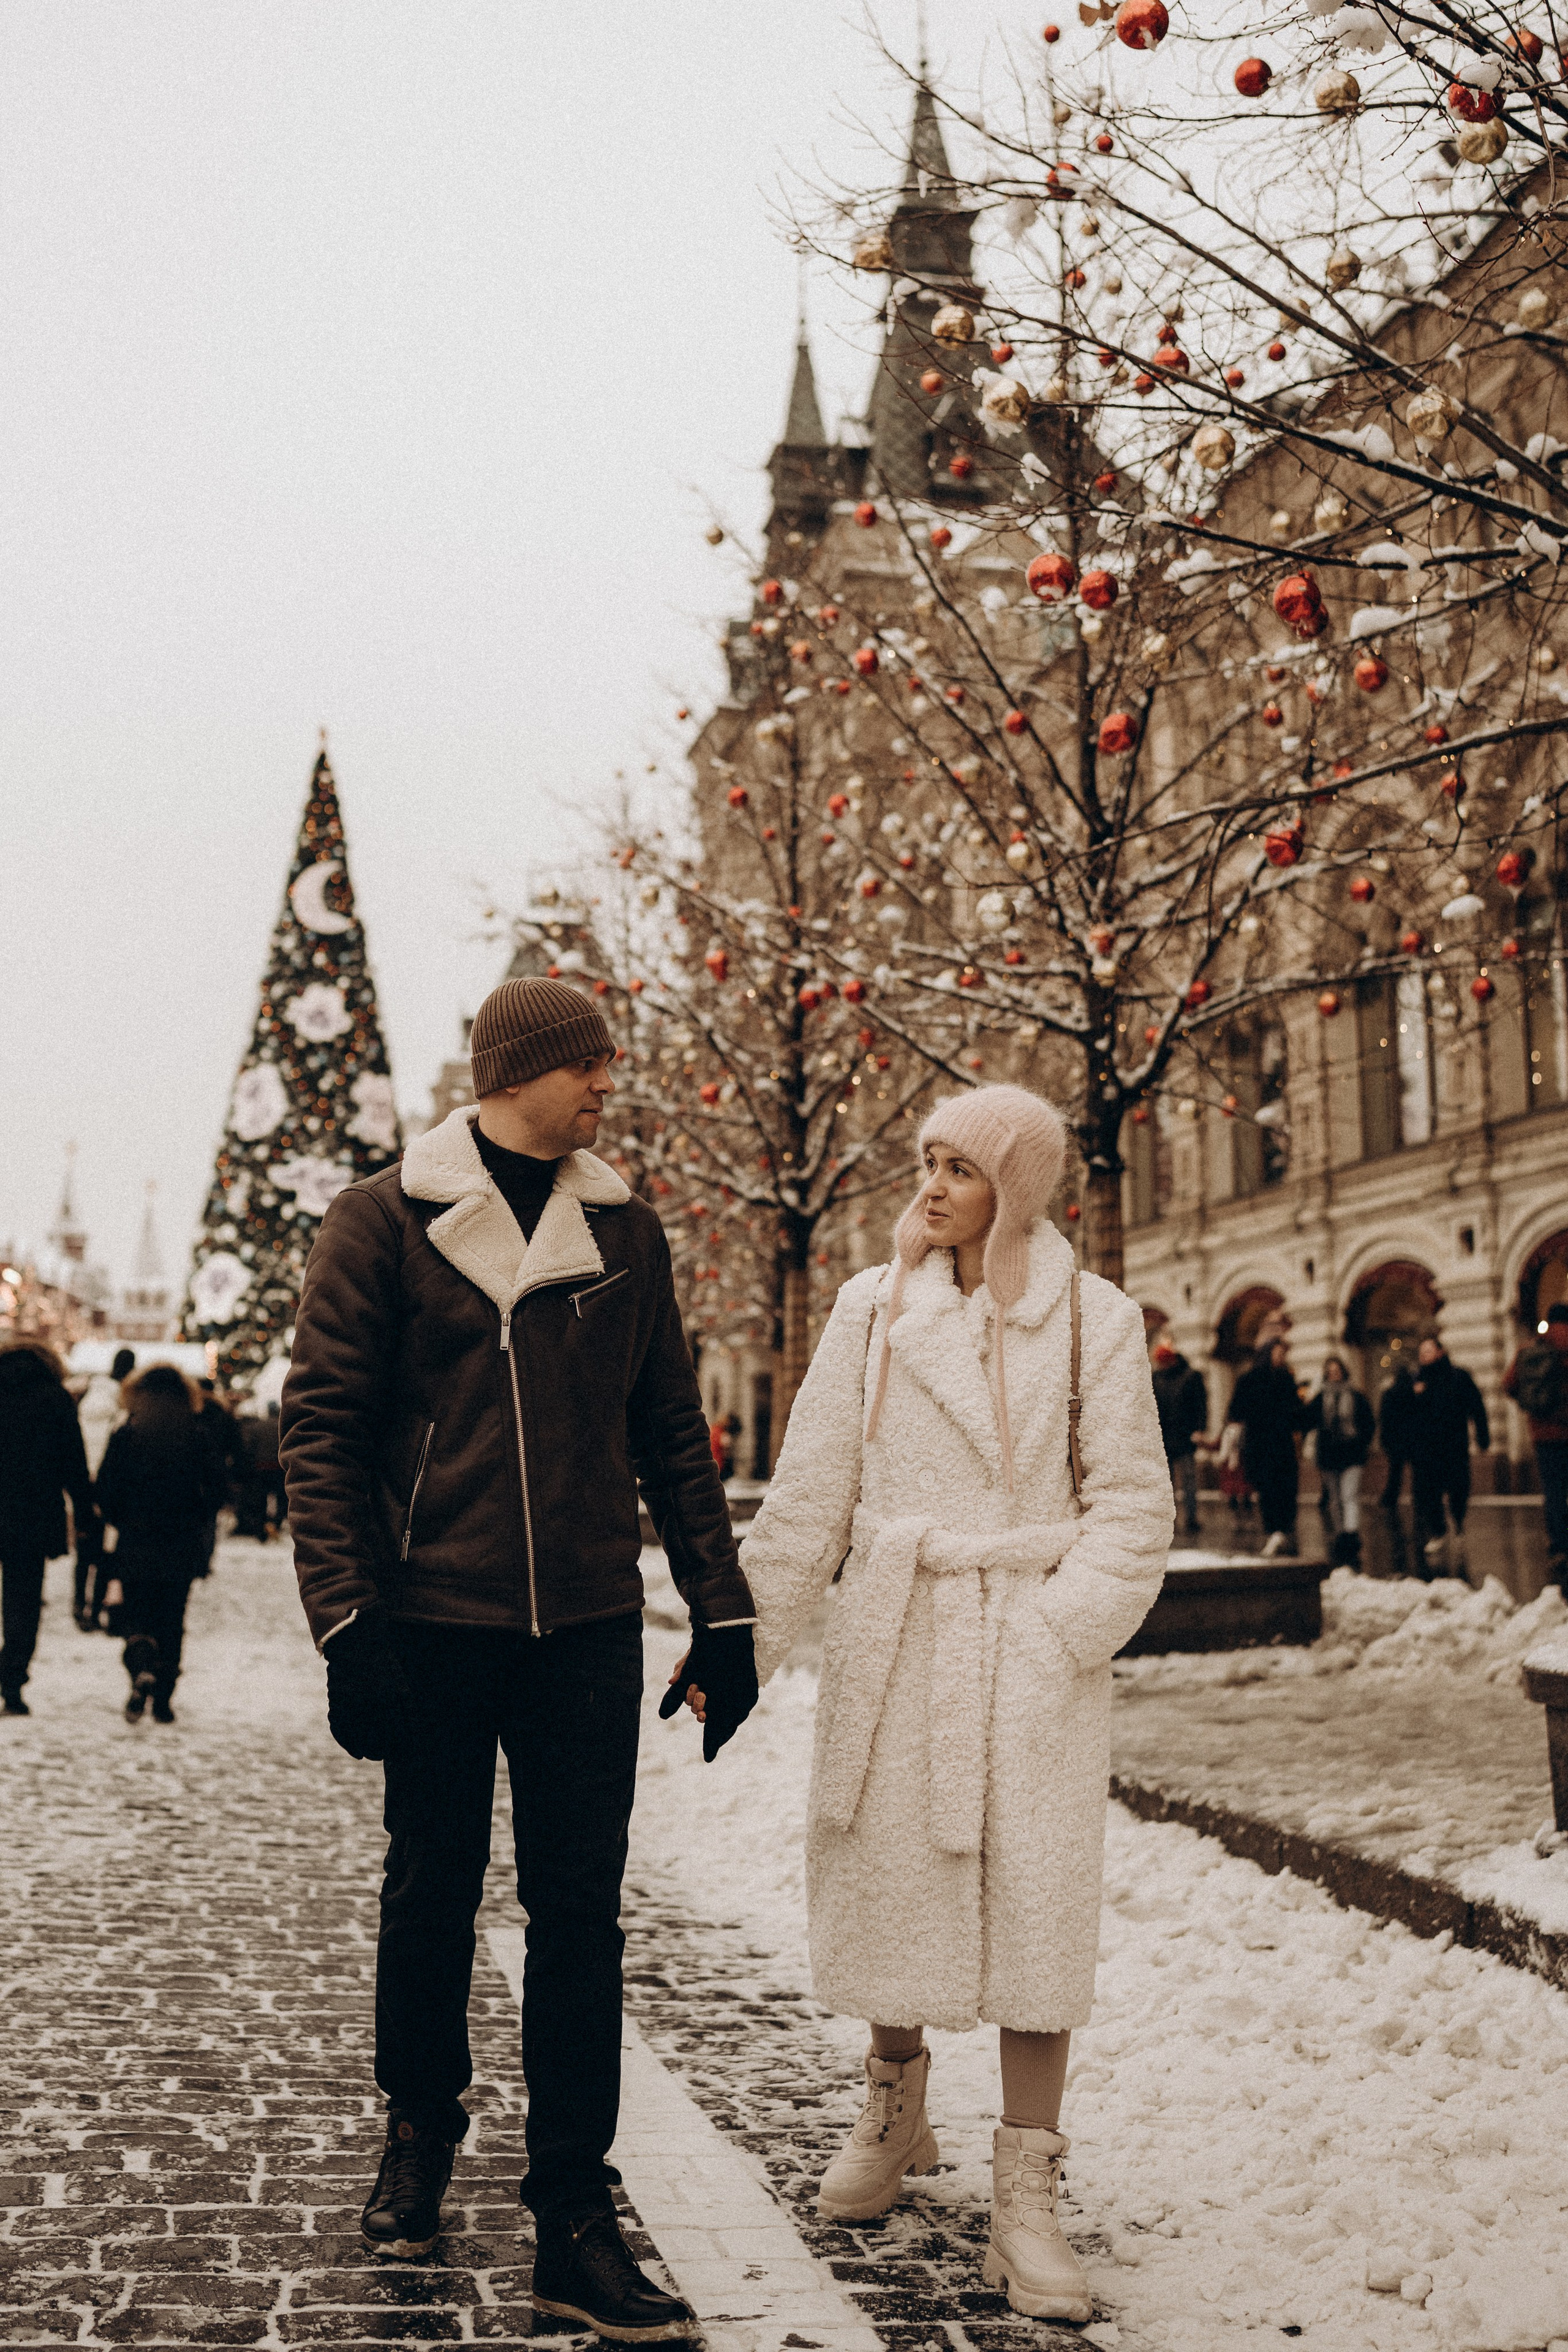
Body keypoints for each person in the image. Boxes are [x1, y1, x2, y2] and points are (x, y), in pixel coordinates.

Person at [281, 975, 756, 2342]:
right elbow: (321, 1430)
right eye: (590, 1065)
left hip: (587, 1631)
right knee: (429, 1888)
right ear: (518, 1071)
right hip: (429, 1622)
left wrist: (719, 1612)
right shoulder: (384, 1219)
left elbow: (672, 1432)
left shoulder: (625, 1229)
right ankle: (420, 2126)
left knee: (579, 1917)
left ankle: (571, 2216)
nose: (608, 1084)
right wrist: (347, 1618)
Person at [728, 1085, 1171, 2324]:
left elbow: (1135, 1508)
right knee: (890, 1880)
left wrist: (1055, 1633)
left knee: (1038, 1914)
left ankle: (1026, 2190)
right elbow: (809, 1492)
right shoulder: (871, 1312)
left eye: (959, 1169)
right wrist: (742, 1644)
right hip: (900, 1633)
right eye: (924, 1161)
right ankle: (893, 2094)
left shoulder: (1092, 1320)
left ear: (1015, 1190)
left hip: (1026, 1651)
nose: (929, 1186)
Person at [95, 1365, 226, 1723]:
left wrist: (120, 1518)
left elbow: (105, 1489)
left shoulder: (126, 1434)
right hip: (181, 1541)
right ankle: (164, 1698)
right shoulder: (196, 1435)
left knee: (136, 1615)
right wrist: (198, 1514)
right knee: (172, 1618)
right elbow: (218, 1489)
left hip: (136, 1540)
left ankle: (140, 1669)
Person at [0, 1340, 97, 1714]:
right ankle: (12, 1682)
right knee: (23, 1602)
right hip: (33, 1514)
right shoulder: (55, 1398)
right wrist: (85, 1515)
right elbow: (74, 1461)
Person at [1406, 1335, 1490, 1574]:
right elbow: (1405, 1414)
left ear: (1440, 1352)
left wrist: (1482, 1436)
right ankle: (1439, 1531)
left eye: (1428, 1351)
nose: (1424, 1356)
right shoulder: (1416, 1380)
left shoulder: (1458, 1377)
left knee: (1458, 1486)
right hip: (1425, 1449)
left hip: (1454, 1445)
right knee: (1428, 1492)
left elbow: (1477, 1406)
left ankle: (1458, 1521)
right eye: (1421, 1352)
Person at [1502, 1303, 1568, 1589]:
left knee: (1554, 1492)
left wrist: (1532, 1407)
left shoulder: (1530, 1349)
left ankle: (1559, 1546)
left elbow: (1508, 1384)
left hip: (1543, 1434)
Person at [1225, 1337, 1306, 1557]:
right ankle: (1275, 1532)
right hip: (1261, 1446)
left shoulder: (1285, 1378)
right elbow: (1236, 1411)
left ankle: (1282, 1532)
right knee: (1268, 1490)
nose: (1282, 1358)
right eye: (1278, 1353)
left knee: (1285, 1490)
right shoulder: (1250, 1380)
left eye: (1283, 1354)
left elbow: (1296, 1413)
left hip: (1281, 1446)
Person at [72, 1347, 135, 1624]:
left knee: (84, 1549)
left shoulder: (89, 1399)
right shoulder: (121, 1404)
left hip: (84, 1481)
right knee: (106, 1552)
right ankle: (96, 1610)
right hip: (109, 1485)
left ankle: (78, 1605)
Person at [1306, 1357, 1375, 1567]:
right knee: (1335, 1499)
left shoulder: (1355, 1396)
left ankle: (1352, 1533)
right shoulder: (1321, 1397)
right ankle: (1340, 1534)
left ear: (1344, 1372)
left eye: (1337, 1371)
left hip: (1352, 1455)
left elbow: (1368, 1422)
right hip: (1328, 1456)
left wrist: (1362, 1443)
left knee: (1349, 1495)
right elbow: (1306, 1418)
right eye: (1330, 1371)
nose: (1334, 1374)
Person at [1150, 1338, 1208, 1534]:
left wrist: (1200, 1429)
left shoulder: (1190, 1376)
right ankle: (1169, 1520)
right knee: (1167, 1484)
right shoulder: (1155, 1379)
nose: (1161, 1365)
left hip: (1184, 1437)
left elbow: (1200, 1406)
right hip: (1164, 1438)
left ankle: (1191, 1519)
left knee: (1189, 1480)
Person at [235, 1401, 286, 1540]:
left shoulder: (258, 1427)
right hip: (278, 1468)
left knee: (260, 1499)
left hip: (260, 1468)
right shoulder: (282, 1427)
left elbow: (249, 1448)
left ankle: (261, 1528)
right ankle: (276, 1524)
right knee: (281, 1499)